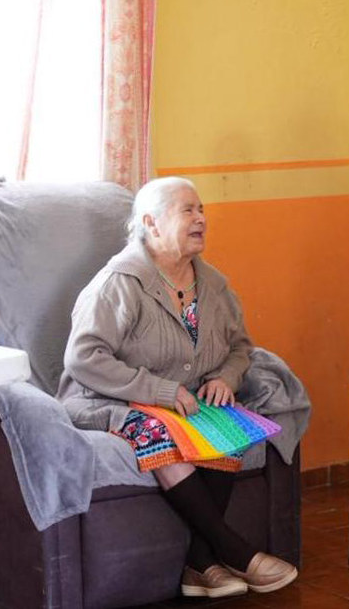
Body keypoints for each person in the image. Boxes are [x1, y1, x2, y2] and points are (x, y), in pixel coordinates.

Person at [57, 177, 297, 599]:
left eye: (201, 209)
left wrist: (226, 378)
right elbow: (83, 357)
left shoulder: (214, 285)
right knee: (160, 432)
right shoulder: (120, 283)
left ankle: (199, 565)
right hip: (110, 398)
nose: (201, 218)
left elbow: (241, 347)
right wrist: (160, 392)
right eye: (188, 210)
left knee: (230, 427)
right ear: (151, 222)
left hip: (185, 401)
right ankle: (232, 550)